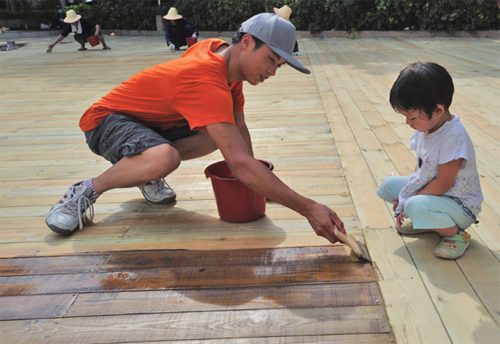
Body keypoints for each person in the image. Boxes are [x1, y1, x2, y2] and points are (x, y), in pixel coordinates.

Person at [45, 12, 346, 245]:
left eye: (278, 65)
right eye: (270, 60)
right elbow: (239, 163)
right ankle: (84, 191)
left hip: (148, 126)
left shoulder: (220, 55)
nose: (271, 72)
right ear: (246, 42)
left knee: (212, 138)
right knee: (165, 158)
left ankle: (143, 168)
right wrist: (307, 207)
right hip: (105, 122)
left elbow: (239, 131)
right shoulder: (206, 79)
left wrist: (260, 184)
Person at [377, 62, 483, 260]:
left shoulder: (453, 136)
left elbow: (444, 183)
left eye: (412, 117)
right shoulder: (425, 128)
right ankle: (426, 221)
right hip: (437, 195)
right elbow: (421, 169)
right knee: (389, 185)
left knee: (414, 205)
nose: (408, 123)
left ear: (438, 110)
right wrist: (405, 194)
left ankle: (456, 235)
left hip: (458, 203)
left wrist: (407, 200)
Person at [47, 10, 111, 53]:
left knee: (99, 34)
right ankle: (83, 46)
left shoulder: (84, 21)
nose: (72, 22)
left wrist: (96, 31)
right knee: (76, 36)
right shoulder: (70, 26)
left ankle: (104, 45)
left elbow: (96, 25)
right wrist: (53, 44)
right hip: (81, 37)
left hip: (90, 34)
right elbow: (62, 35)